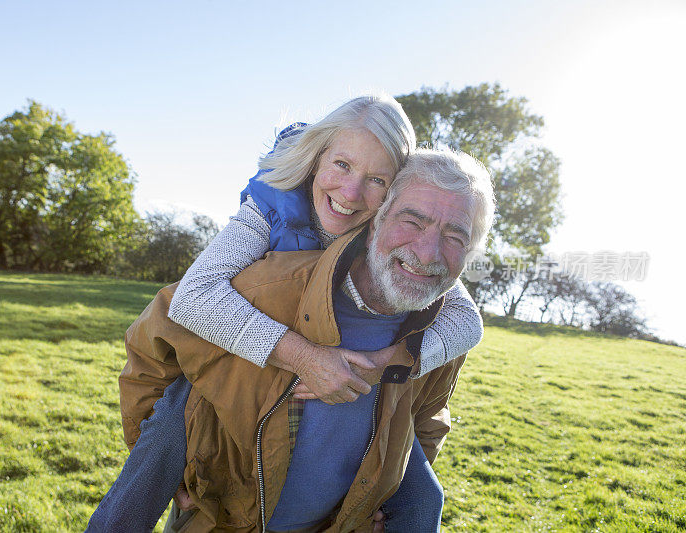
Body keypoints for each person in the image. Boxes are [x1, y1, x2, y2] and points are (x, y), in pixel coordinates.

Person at [87, 96, 483, 531]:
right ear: (316, 159)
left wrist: (387, 366)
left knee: (425, 501)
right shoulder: (269, 209)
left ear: (394, 194)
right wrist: (305, 357)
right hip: (230, 361)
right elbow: (190, 298)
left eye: (376, 179)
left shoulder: (410, 250)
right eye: (342, 165)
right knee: (181, 405)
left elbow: (466, 318)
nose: (351, 193)